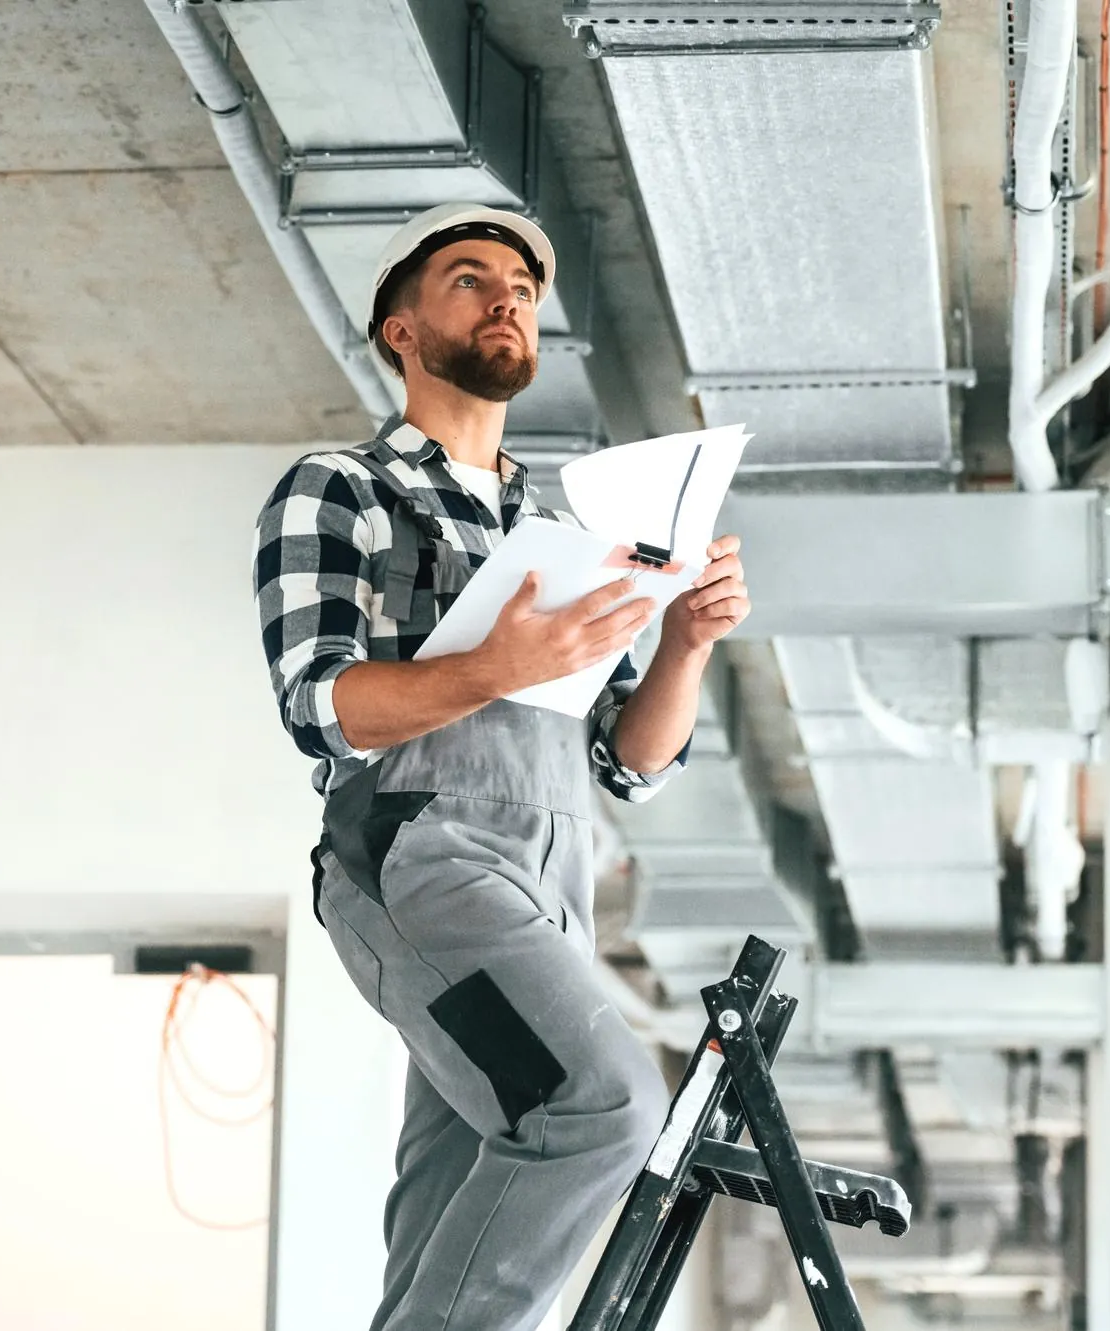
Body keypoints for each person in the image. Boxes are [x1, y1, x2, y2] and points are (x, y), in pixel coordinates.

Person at [252, 202, 751, 1331]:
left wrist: (683, 642)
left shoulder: (564, 527)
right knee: (600, 1108)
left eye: (520, 287)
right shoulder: (339, 489)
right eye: (469, 279)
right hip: (418, 858)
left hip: (551, 874)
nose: (506, 298)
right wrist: (490, 664)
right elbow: (318, 703)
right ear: (401, 332)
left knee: (461, 1179)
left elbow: (627, 761)